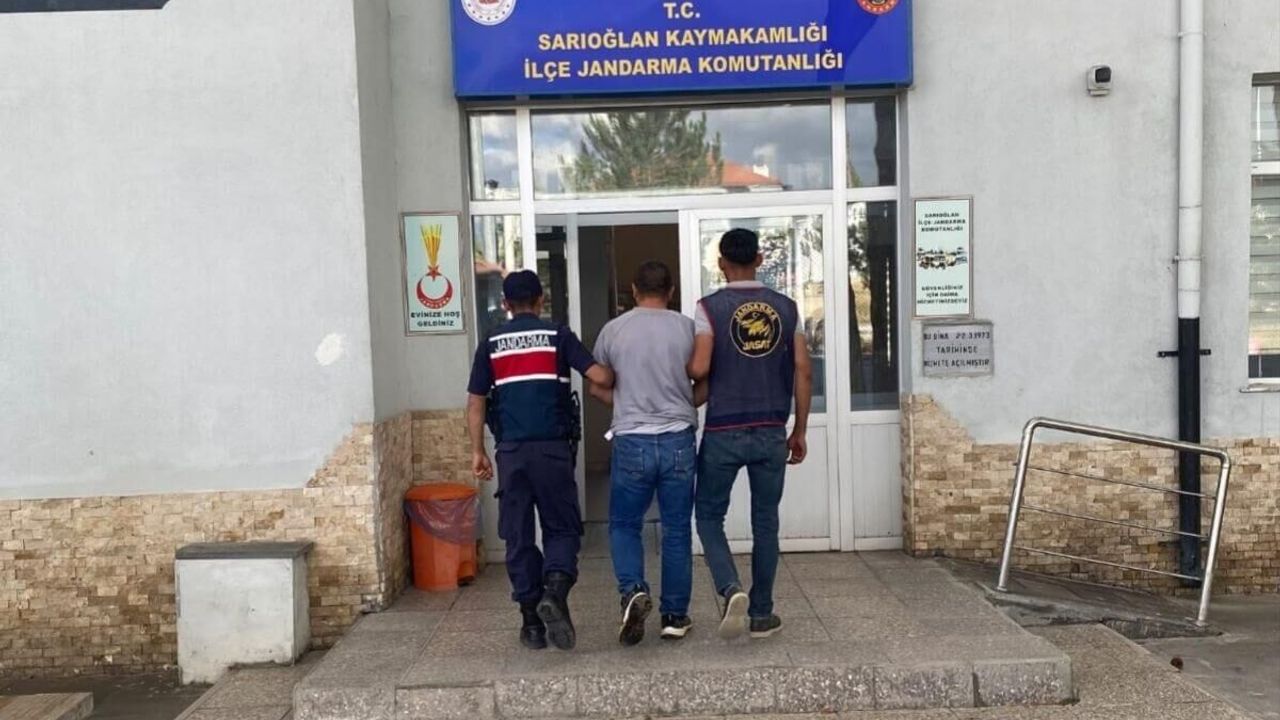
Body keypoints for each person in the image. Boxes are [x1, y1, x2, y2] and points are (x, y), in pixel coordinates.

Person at [466, 270, 614, 651]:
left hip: (511, 454)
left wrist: (477, 451)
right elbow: (599, 376)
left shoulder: (490, 343)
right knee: (562, 528)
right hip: (552, 451)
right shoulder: (557, 335)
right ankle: (555, 592)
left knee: (518, 535)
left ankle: (532, 622)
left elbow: (476, 402)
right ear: (541, 300)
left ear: (505, 305)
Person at [688, 228, 813, 640]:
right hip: (771, 430)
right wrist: (799, 429)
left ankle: (730, 588)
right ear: (759, 259)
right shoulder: (787, 308)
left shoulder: (708, 308)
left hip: (723, 430)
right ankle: (761, 614)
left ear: (721, 263)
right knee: (766, 523)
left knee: (708, 516)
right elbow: (803, 370)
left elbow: (701, 369)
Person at [588, 260, 702, 646]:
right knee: (676, 528)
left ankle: (633, 590)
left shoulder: (614, 330)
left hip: (632, 440)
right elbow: (706, 380)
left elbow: (597, 385)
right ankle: (674, 616)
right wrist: (685, 405)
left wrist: (624, 404)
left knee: (624, 524)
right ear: (671, 291)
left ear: (634, 290)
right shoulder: (688, 328)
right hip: (678, 440)